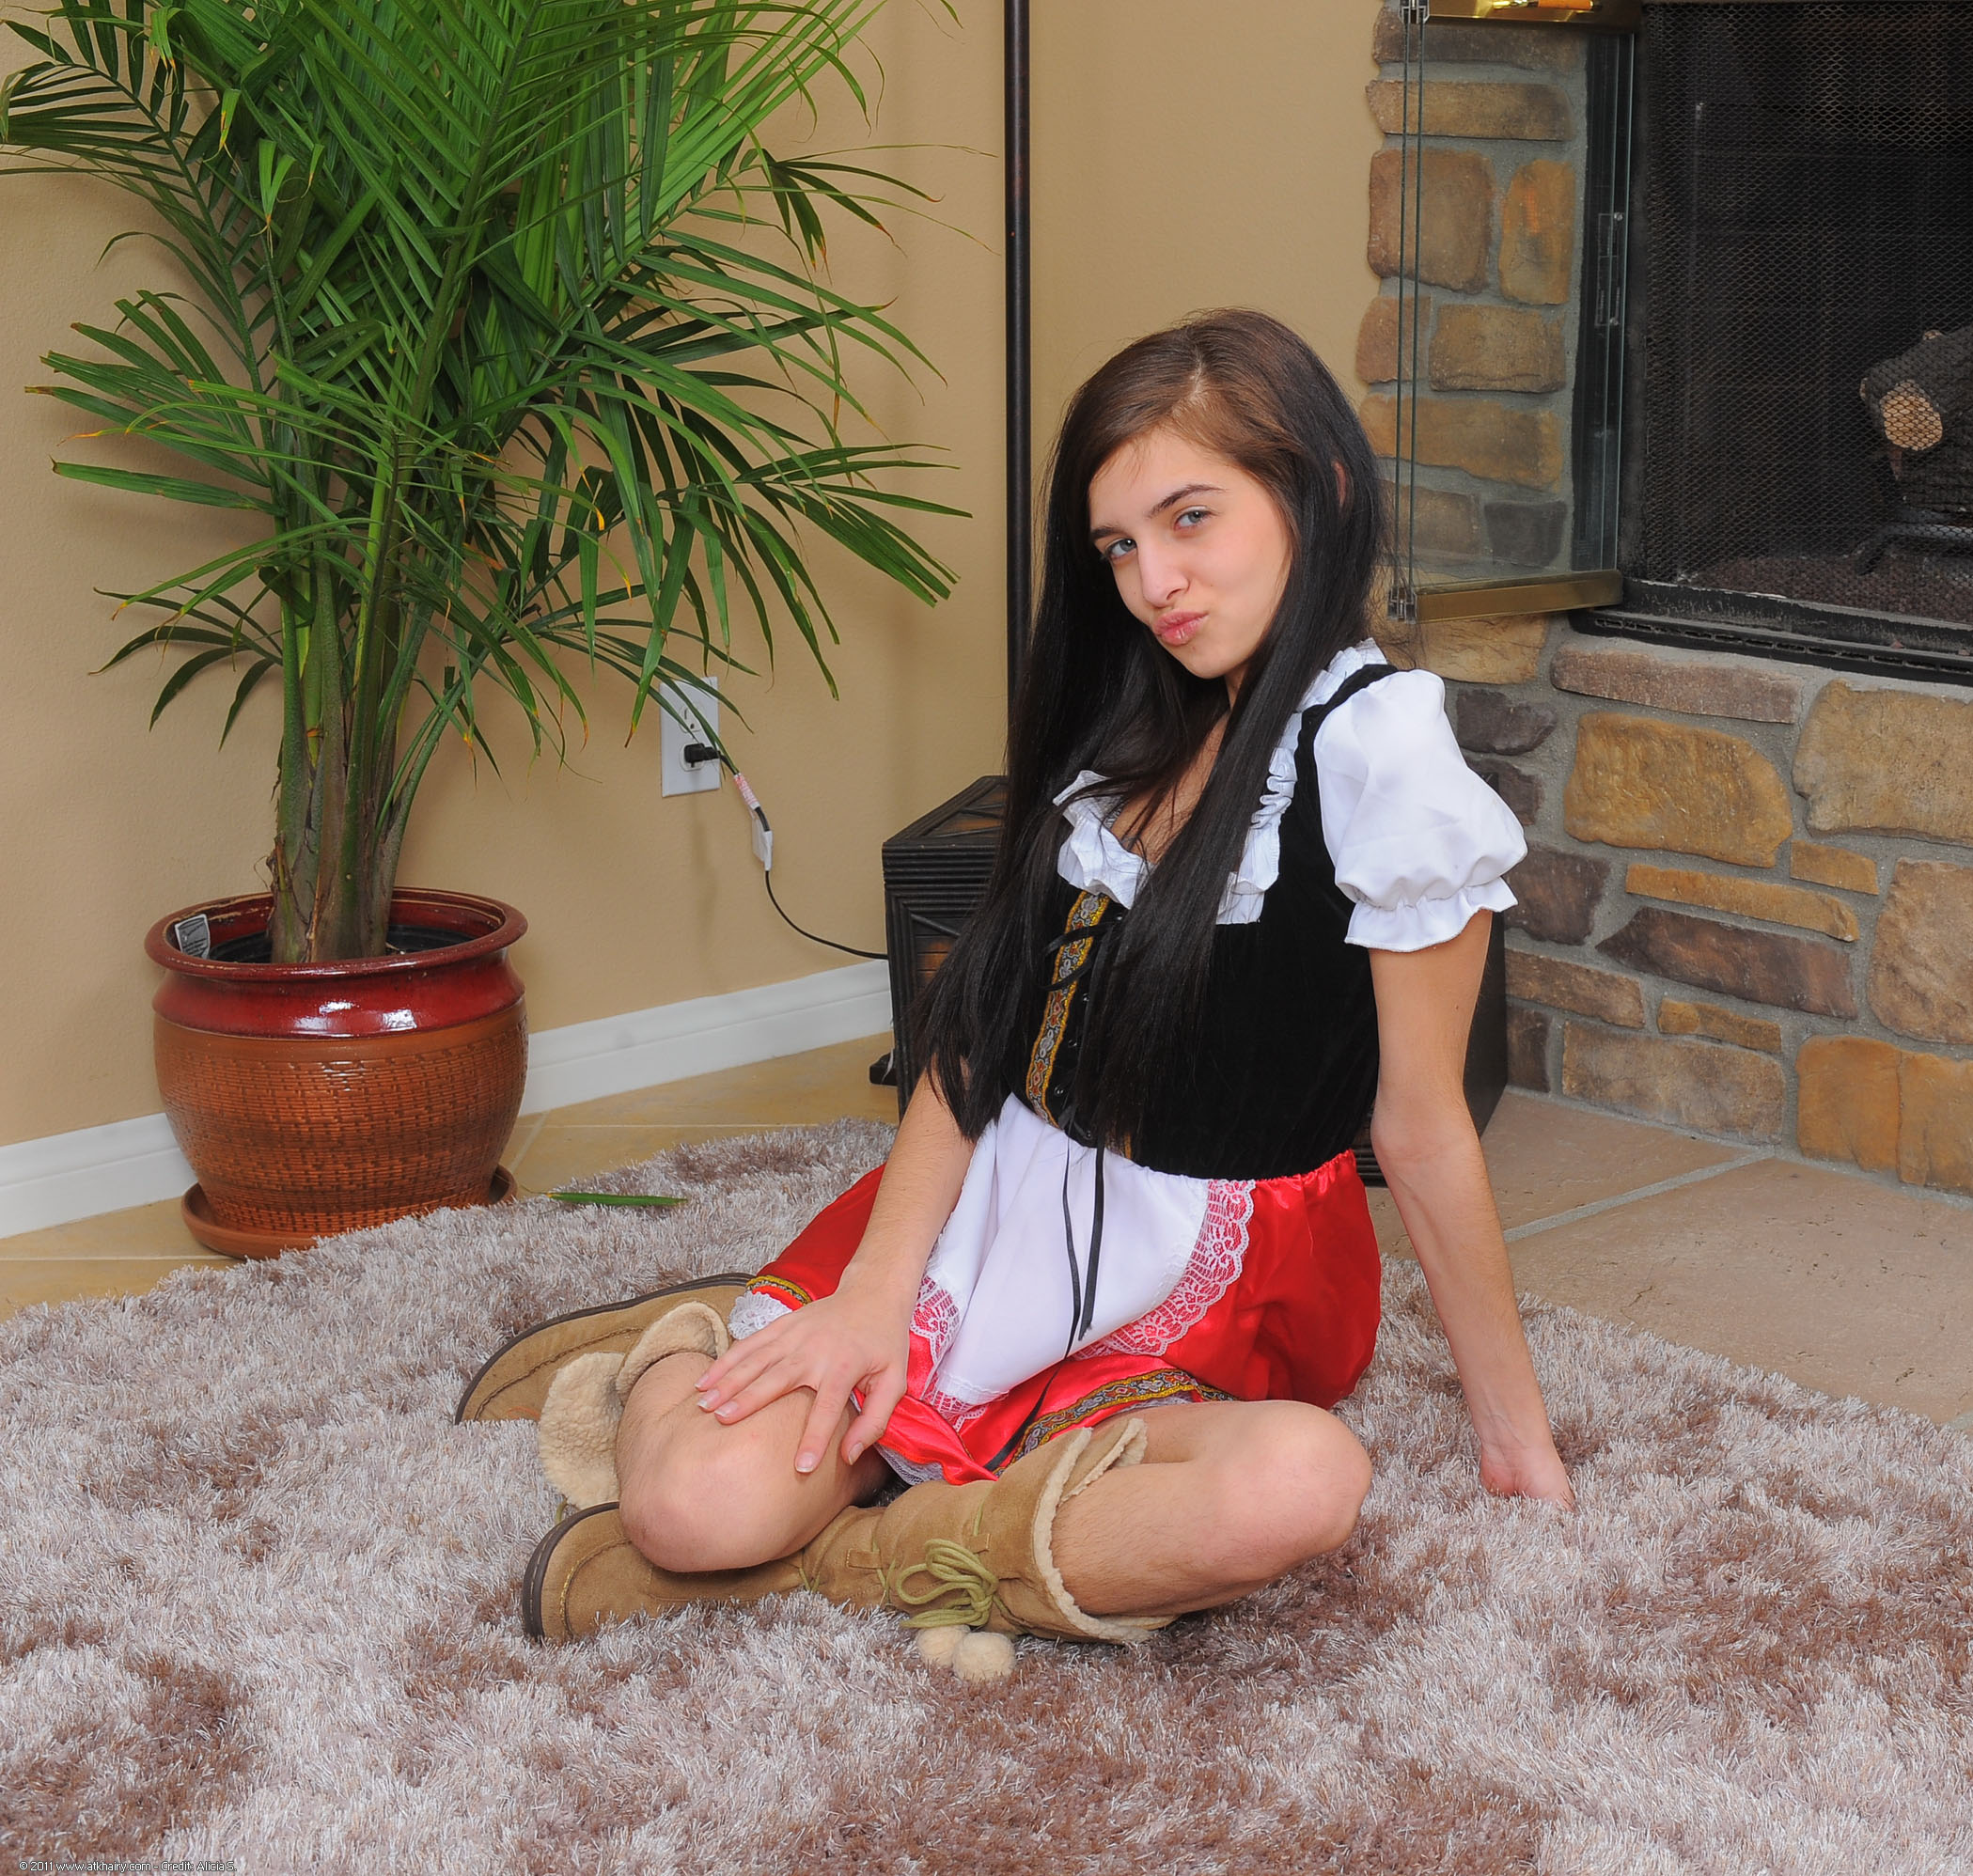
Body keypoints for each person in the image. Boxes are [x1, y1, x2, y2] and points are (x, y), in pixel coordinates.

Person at [481, 308, 1575, 1656]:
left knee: (1301, 1486)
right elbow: (983, 1030)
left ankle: (864, 1557)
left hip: (1219, 1287)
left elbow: (1419, 1124)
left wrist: (1515, 1439)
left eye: (1191, 519)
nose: (1155, 583)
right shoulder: (1133, 716)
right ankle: (704, 1347)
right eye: (1119, 547)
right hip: (986, 1206)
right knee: (692, 1509)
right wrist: (876, 1294)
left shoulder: (1382, 754)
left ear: (1323, 492)